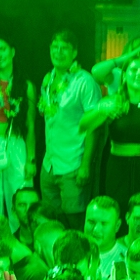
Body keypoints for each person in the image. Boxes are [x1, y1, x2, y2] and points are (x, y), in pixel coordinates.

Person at [84, 42, 140, 206]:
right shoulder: (112, 102)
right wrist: (100, 111)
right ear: (124, 76)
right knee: (115, 213)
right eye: (134, 70)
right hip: (116, 169)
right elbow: (84, 126)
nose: (139, 74)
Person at [38, 31, 102, 222]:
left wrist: (85, 165)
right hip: (49, 165)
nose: (58, 52)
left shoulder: (85, 81)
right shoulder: (47, 80)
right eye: (55, 47)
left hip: (74, 164)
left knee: (74, 222)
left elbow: (94, 126)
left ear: (74, 52)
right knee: (50, 221)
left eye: (64, 48)